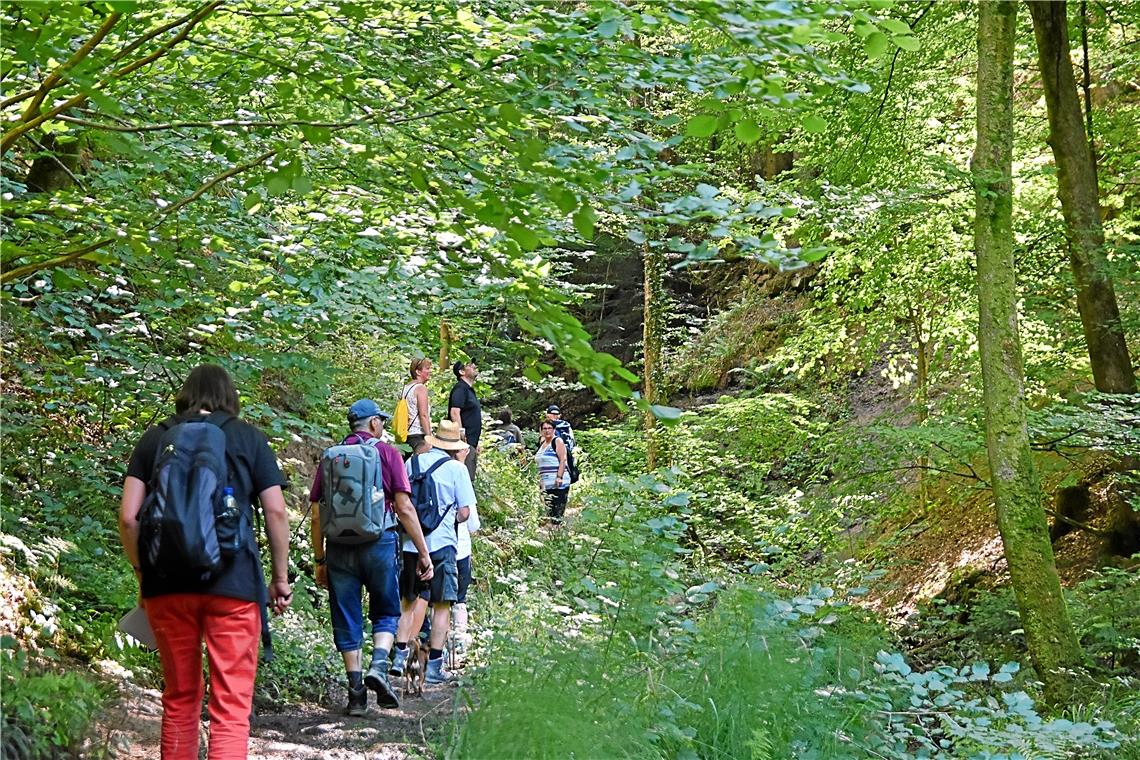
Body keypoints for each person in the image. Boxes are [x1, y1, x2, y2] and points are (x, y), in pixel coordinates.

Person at [118, 364, 292, 760]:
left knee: (179, 700)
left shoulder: (156, 438)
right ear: (231, 397)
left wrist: (144, 575)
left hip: (166, 586)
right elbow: (276, 512)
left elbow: (129, 517)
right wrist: (279, 579)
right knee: (230, 708)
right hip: (234, 584)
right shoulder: (248, 437)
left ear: (185, 395)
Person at [309, 400, 434, 715]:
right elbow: (404, 507)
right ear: (374, 424)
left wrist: (320, 560)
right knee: (386, 609)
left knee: (346, 614)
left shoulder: (332, 456)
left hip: (338, 546)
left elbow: (315, 515)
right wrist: (422, 552)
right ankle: (379, 665)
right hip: (379, 542)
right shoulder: (388, 453)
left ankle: (355, 694)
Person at [391, 420, 474, 684]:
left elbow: (401, 503)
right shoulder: (456, 469)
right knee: (441, 605)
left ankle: (399, 657)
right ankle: (435, 666)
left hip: (410, 543)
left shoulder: (410, 463)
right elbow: (465, 512)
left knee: (408, 601)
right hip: (442, 545)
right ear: (455, 446)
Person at [448, 359, 482, 482]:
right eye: (468, 365)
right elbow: (454, 412)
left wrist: (475, 442)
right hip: (463, 443)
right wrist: (461, 435)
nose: (473, 366)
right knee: (463, 478)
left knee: (468, 476)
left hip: (470, 442)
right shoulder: (460, 389)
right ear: (461, 371)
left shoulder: (468, 390)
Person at [536, 419, 571, 523]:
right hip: (546, 484)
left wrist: (559, 477)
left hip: (559, 484)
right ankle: (552, 536)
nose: (547, 431)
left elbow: (563, 459)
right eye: (544, 429)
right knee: (549, 513)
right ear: (541, 431)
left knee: (557, 514)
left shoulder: (557, 441)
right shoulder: (542, 444)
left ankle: (558, 535)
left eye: (549, 428)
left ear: (554, 430)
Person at [400, 358, 433, 454]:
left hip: (406, 435)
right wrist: (429, 437)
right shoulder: (420, 388)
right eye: (427, 368)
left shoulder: (406, 388)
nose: (430, 371)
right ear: (418, 371)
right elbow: (423, 415)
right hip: (418, 436)